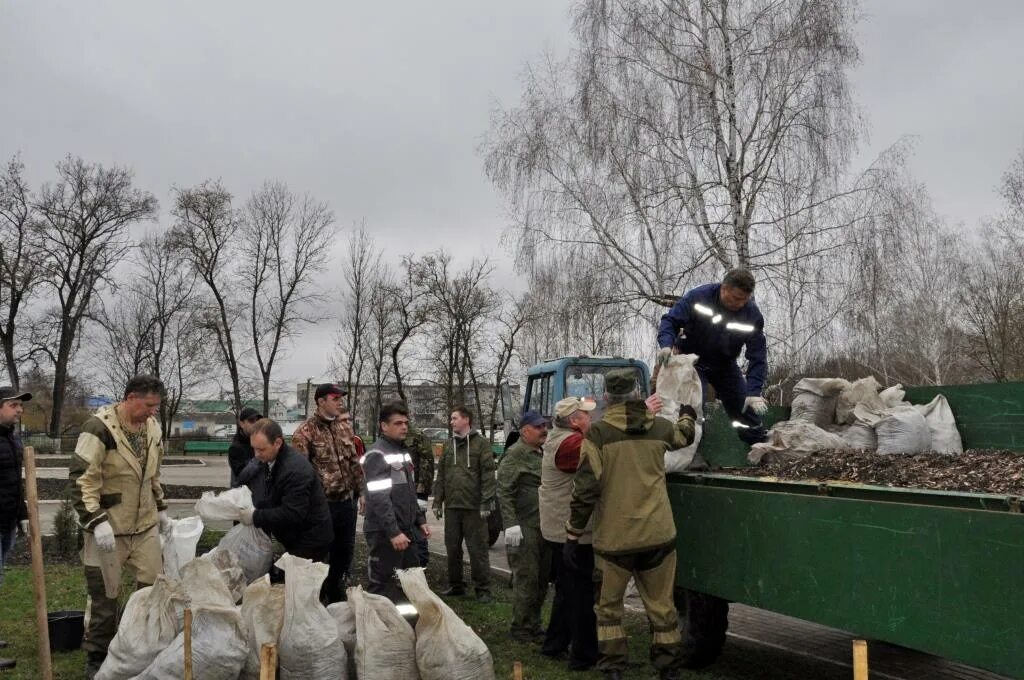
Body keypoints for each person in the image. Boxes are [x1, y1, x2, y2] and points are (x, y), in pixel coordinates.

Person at [565, 369, 696, 680]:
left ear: (607, 398)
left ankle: (613, 670)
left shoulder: (597, 435)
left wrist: (572, 534)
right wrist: (689, 413)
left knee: (609, 609)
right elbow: (684, 435)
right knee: (662, 608)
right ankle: (668, 669)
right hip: (658, 536)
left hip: (615, 540)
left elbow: (585, 489)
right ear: (638, 395)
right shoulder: (661, 428)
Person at [70, 375, 172, 679]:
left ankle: (138, 647)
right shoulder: (98, 428)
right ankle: (97, 655)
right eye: (149, 405)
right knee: (104, 596)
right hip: (106, 531)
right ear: (130, 397)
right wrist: (95, 520)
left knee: (153, 591)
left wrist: (161, 508)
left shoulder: (153, 427)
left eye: (157, 406)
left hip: (144, 528)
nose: (154, 411)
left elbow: (153, 473)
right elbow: (81, 480)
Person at [656, 268, 768, 444]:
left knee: (743, 404)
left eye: (745, 300)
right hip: (693, 361)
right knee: (693, 405)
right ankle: (692, 452)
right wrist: (666, 345)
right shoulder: (698, 297)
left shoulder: (751, 315)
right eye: (737, 298)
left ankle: (760, 447)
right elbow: (670, 321)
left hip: (725, 365)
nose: (740, 304)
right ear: (724, 288)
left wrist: (754, 391)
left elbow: (758, 355)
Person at [538, 396, 598, 671]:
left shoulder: (558, 437)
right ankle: (584, 656)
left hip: (556, 528)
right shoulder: (573, 444)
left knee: (566, 589)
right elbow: (603, 455)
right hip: (570, 531)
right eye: (586, 415)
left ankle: (554, 643)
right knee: (580, 594)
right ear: (574, 421)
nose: (591, 419)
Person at [290, 383, 364, 604]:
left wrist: (361, 493)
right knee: (320, 553)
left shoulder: (344, 429)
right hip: (322, 506)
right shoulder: (305, 433)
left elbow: (354, 463)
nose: (340, 402)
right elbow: (301, 475)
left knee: (344, 552)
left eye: (341, 398)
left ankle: (335, 591)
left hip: (345, 504)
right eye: (335, 398)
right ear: (321, 401)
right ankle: (316, 595)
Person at [360, 401, 431, 602]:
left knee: (411, 582)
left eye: (406, 423)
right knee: (383, 586)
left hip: (405, 530)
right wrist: (393, 532)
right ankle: (380, 629)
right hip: (385, 533)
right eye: (398, 423)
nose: (404, 427)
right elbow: (379, 499)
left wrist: (420, 519)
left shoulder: (402, 452)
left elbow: (409, 493)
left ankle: (406, 626)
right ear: (384, 426)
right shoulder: (377, 454)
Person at [239, 418, 333, 561]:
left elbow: (292, 513)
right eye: (254, 448)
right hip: (296, 536)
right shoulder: (270, 460)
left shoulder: (295, 470)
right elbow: (274, 495)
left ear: (277, 443)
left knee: (302, 581)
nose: (256, 455)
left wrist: (255, 516)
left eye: (261, 449)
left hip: (311, 540)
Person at [496, 409, 552, 642]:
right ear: (525, 430)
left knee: (541, 580)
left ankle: (534, 624)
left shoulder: (542, 452)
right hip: (524, 527)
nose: (544, 430)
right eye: (539, 427)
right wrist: (510, 524)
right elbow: (504, 490)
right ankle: (520, 627)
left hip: (544, 526)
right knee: (526, 578)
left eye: (545, 426)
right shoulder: (515, 454)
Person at [432, 406, 496, 603]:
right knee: (452, 548)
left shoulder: (481, 444)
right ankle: (456, 585)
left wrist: (486, 502)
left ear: (466, 420)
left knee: (478, 549)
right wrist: (437, 501)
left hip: (474, 508)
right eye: (451, 419)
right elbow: (441, 474)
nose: (451, 422)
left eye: (454, 418)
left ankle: (482, 589)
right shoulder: (448, 445)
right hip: (452, 507)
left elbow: (488, 475)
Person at [0, 386, 31, 671]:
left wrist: (21, 515)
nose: (20, 410)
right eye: (14, 406)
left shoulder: (12, 439)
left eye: (20, 406)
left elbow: (15, 482)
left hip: (6, 522)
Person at [403, 420, 435, 567]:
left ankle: (421, 564)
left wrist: (422, 493)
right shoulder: (393, 436)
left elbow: (427, 465)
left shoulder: (417, 436)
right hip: (400, 491)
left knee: (418, 528)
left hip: (416, 492)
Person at [228, 406, 263, 502]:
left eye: (258, 421)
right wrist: (259, 456)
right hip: (243, 502)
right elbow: (240, 477)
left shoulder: (261, 442)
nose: (256, 424)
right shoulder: (236, 448)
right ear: (241, 423)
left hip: (261, 499)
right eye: (251, 421)